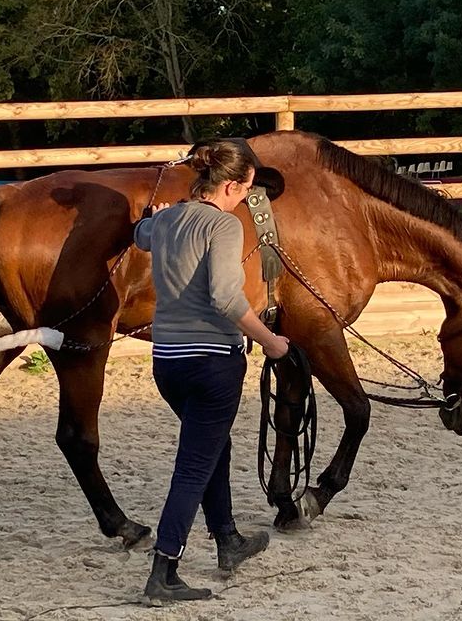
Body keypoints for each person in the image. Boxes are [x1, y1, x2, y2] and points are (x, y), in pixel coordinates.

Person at [134, 140, 290, 603]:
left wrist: (154, 214)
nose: (247, 196)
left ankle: (228, 540)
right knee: (194, 466)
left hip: (167, 362)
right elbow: (225, 297)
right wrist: (272, 342)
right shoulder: (223, 227)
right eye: (246, 188)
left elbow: (139, 234)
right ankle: (164, 570)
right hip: (211, 361)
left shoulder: (165, 220)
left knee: (212, 444)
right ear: (231, 184)